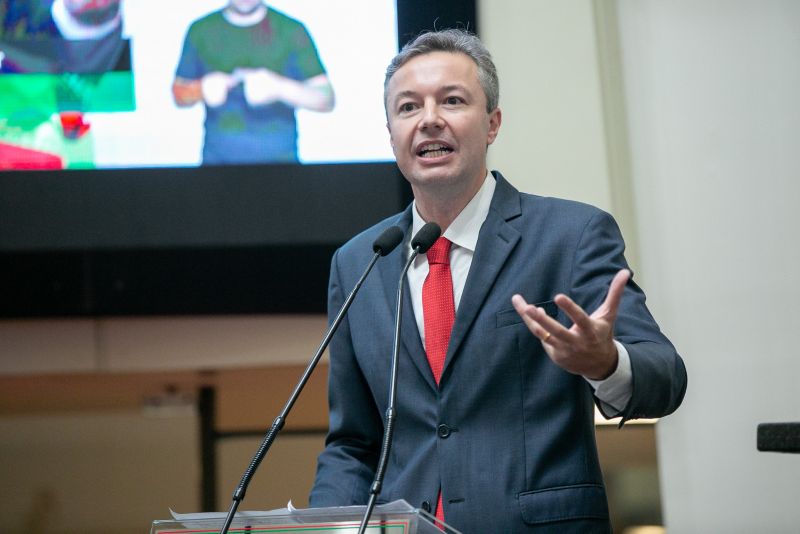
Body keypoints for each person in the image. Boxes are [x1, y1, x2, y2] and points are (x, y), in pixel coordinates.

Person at [308, 29, 687, 532]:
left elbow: (666, 377)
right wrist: (321, 526)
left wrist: (606, 363)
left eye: (452, 100)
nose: (429, 119)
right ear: (391, 134)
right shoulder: (359, 262)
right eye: (408, 107)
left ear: (492, 123)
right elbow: (354, 444)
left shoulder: (570, 235)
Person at [172, 0, 335, 165]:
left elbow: (326, 98)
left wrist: (278, 88)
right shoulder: (200, 29)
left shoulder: (292, 30)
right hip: (216, 166)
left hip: (282, 166)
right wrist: (200, 90)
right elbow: (178, 94)